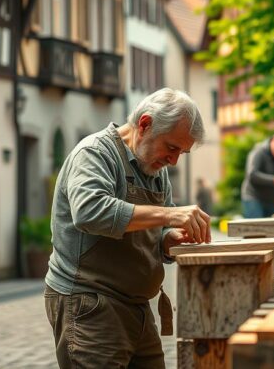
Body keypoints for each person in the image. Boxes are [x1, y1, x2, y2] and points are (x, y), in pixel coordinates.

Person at [44, 88, 211, 369]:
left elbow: (157, 231)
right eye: (171, 148)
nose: (174, 161)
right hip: (91, 304)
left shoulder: (156, 170)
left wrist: (170, 240)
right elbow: (90, 212)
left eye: (181, 152)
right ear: (145, 124)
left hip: (137, 307)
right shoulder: (95, 153)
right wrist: (168, 215)